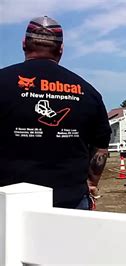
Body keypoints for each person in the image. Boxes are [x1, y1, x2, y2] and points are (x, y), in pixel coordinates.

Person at [0, 16, 111, 210]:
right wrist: (92, 183)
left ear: (24, 44)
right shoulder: (88, 91)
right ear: (61, 49)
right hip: (70, 202)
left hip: (8, 204)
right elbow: (100, 148)